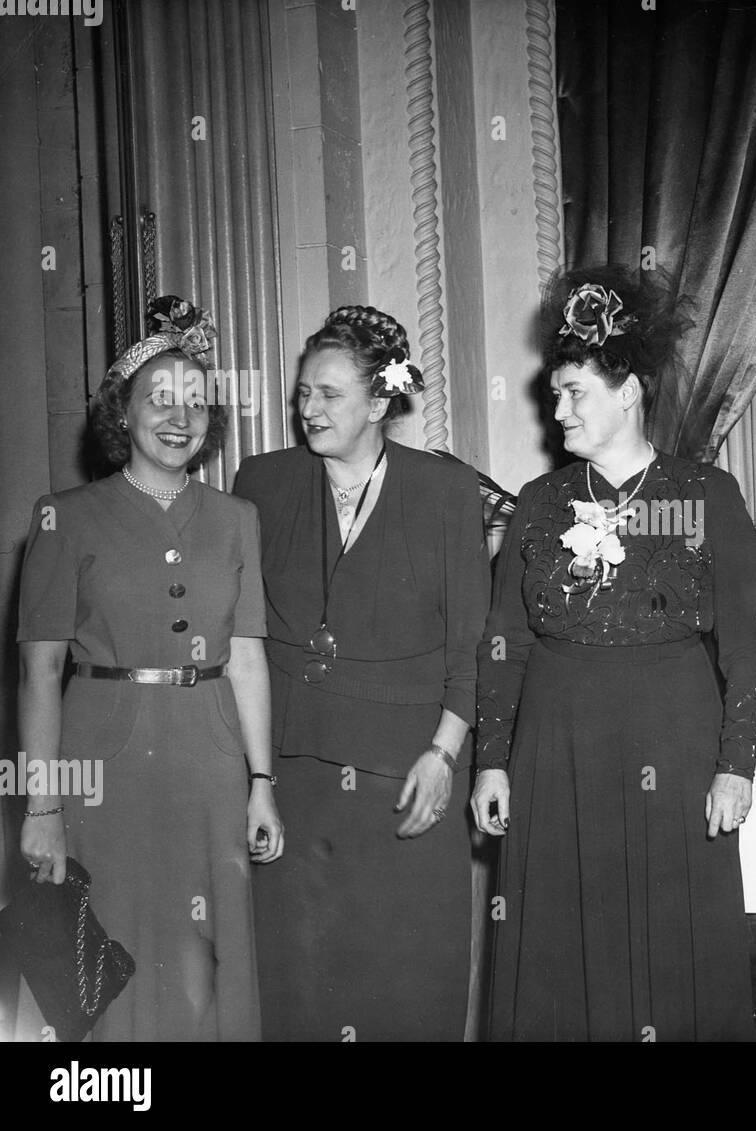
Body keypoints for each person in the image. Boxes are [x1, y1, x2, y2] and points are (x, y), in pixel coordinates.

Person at [473, 266, 756, 1041]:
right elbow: (503, 642)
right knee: (561, 946)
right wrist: (493, 760)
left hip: (673, 742)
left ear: (630, 390)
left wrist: (736, 763)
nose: (557, 407)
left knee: (672, 948)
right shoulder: (539, 502)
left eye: (575, 391)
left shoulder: (706, 494)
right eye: (555, 392)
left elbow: (749, 641)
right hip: (556, 748)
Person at [16, 296, 282, 1041]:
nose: (180, 416)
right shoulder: (62, 516)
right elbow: (38, 674)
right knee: (118, 954)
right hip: (105, 765)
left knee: (208, 958)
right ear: (121, 413)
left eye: (196, 402)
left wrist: (262, 783)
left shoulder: (237, 519)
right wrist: (42, 807)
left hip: (212, 760)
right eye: (159, 398)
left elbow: (251, 657)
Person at [233, 306, 490, 1041]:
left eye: (330, 394)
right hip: (295, 774)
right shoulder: (263, 482)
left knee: (403, 979)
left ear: (380, 402)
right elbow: (241, 633)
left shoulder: (445, 491)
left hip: (403, 773)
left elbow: (470, 643)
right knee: (301, 979)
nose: (308, 409)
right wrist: (255, 777)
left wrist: (444, 755)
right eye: (303, 392)